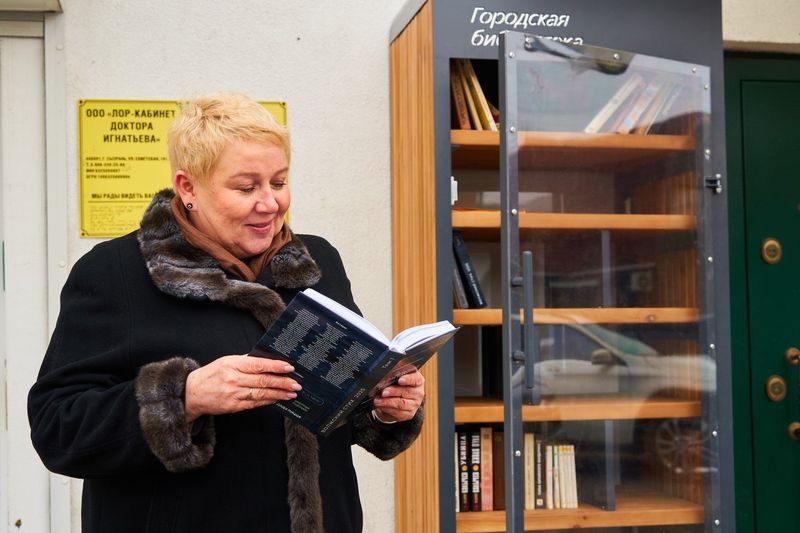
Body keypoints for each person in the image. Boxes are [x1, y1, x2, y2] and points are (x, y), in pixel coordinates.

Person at [28, 92, 425, 533]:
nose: (270, 203)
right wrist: (186, 397)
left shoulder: (319, 262)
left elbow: (339, 407)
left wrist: (383, 409)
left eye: (278, 182)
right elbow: (58, 429)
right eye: (246, 187)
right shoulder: (115, 272)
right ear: (188, 188)